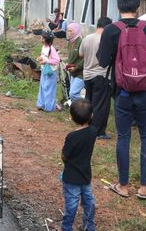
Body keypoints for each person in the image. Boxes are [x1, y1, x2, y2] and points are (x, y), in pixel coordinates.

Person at [97, 0, 146, 200]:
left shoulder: (111, 30)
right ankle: (145, 188)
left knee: (123, 137)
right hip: (145, 92)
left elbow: (103, 61)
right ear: (138, 7)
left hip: (122, 92)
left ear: (119, 8)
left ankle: (123, 186)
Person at [60, 99, 97, 231]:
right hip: (85, 176)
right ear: (91, 116)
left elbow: (64, 155)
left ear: (71, 117)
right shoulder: (93, 132)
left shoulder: (71, 136)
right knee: (90, 203)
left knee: (71, 205)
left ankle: (66, 227)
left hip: (71, 177)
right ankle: (89, 225)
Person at [80, 16, 113, 140]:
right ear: (108, 27)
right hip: (101, 76)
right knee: (100, 105)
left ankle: (85, 125)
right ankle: (98, 132)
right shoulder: (105, 40)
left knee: (88, 102)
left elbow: (80, 54)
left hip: (87, 75)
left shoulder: (87, 38)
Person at [36, 30, 61, 112]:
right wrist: (40, 58)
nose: (40, 38)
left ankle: (49, 108)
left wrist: (47, 61)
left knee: (49, 89)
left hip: (51, 71)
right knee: (43, 87)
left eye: (41, 37)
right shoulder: (44, 47)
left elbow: (57, 60)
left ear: (44, 39)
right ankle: (41, 104)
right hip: (44, 70)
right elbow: (44, 55)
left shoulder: (51, 49)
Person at [65, 22, 86, 103]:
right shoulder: (70, 42)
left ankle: (86, 106)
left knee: (73, 93)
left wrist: (76, 67)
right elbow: (71, 57)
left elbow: (85, 59)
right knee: (72, 94)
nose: (69, 33)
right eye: (68, 31)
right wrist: (67, 64)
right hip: (72, 71)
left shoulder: (81, 42)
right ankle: (77, 112)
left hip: (80, 72)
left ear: (76, 31)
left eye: (71, 31)